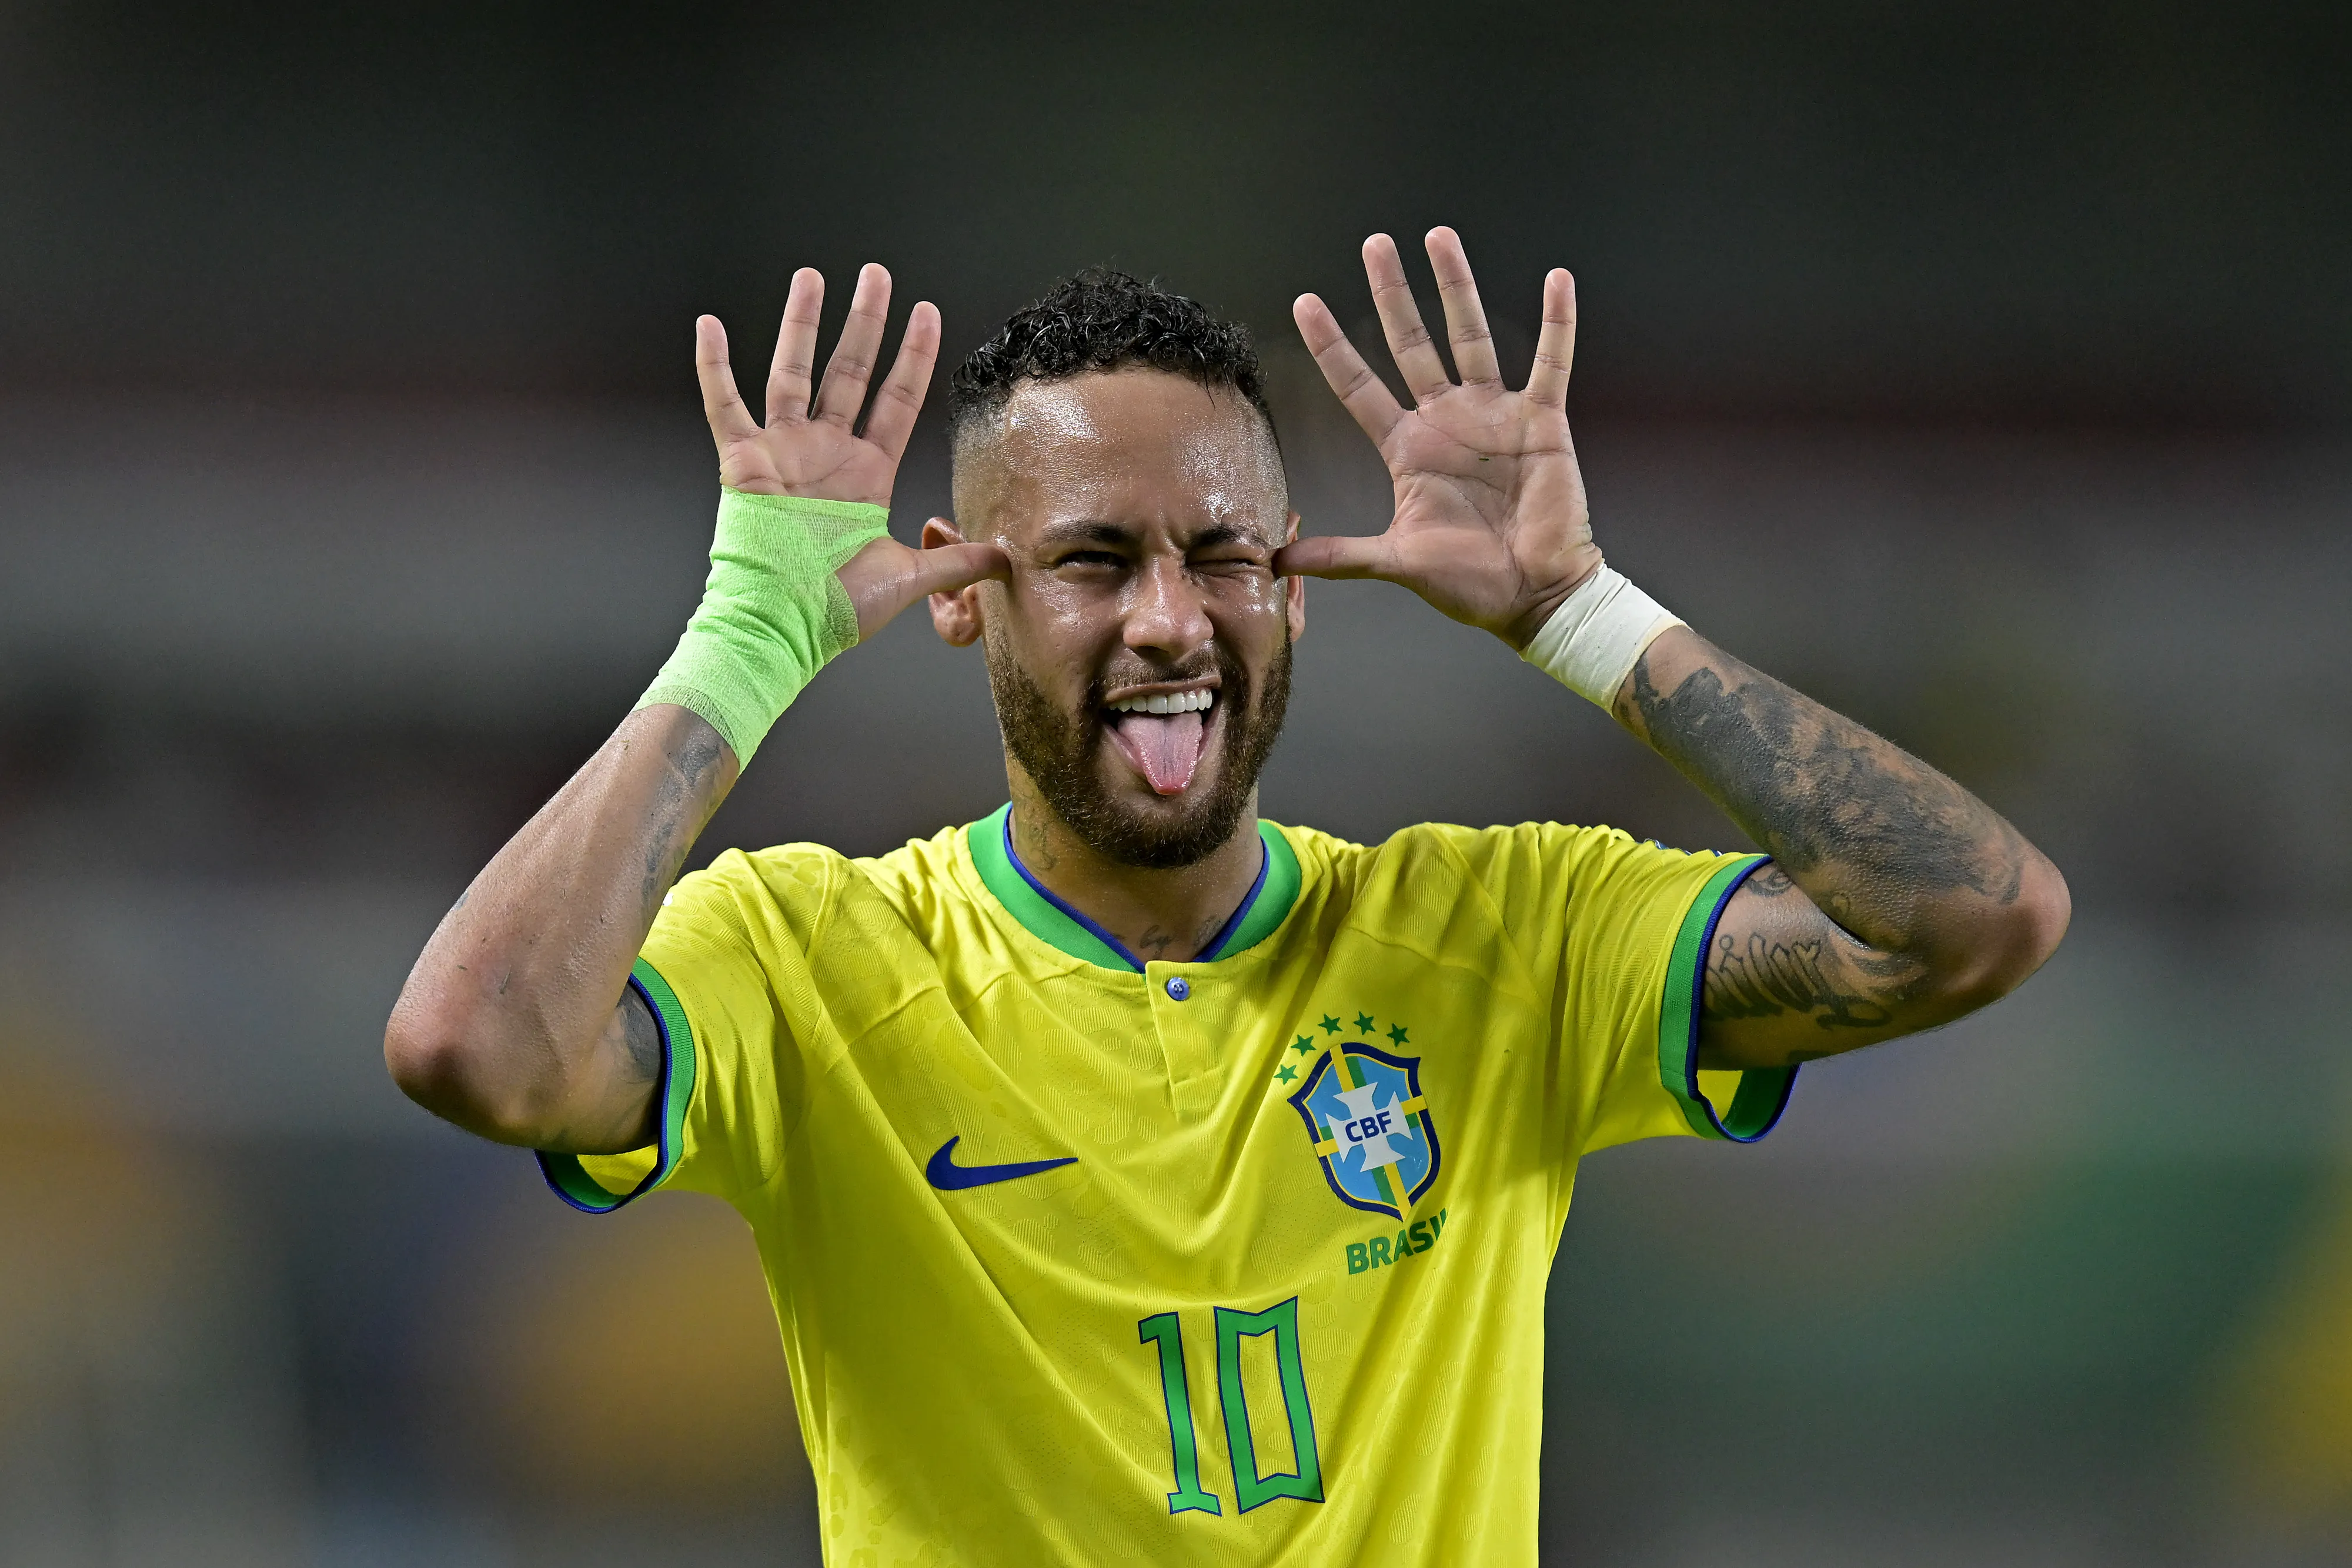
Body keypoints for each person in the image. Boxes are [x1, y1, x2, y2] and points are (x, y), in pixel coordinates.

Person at [385, 227, 2069, 1564]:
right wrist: (744, 647)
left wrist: (1590, 619)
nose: (1175, 619)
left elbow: (1976, 922)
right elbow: (480, 1047)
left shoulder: (1506, 939)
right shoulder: (814, 958)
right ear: (964, 596)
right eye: (1096, 561)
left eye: (1227, 556)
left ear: (1299, 588)